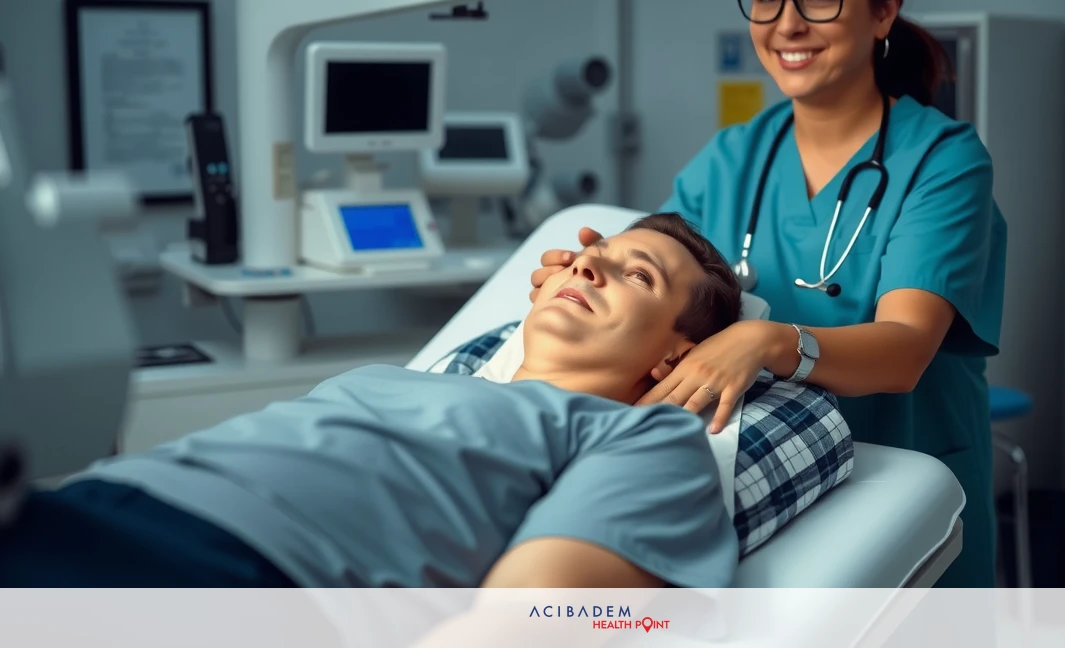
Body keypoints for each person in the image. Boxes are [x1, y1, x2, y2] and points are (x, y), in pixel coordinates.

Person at [529, 0, 1007, 588]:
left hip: (903, 475)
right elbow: (652, 298)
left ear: (883, 9)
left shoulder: (942, 159)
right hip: (761, 473)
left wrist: (769, 340)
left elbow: (904, 350)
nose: (787, 24)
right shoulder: (731, 158)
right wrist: (583, 276)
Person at [0, 213, 743, 589]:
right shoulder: (393, 378)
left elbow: (536, 616)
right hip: (90, 502)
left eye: (635, 274)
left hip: (235, 569)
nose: (588, 261)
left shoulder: (640, 441)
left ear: (680, 350)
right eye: (592, 253)